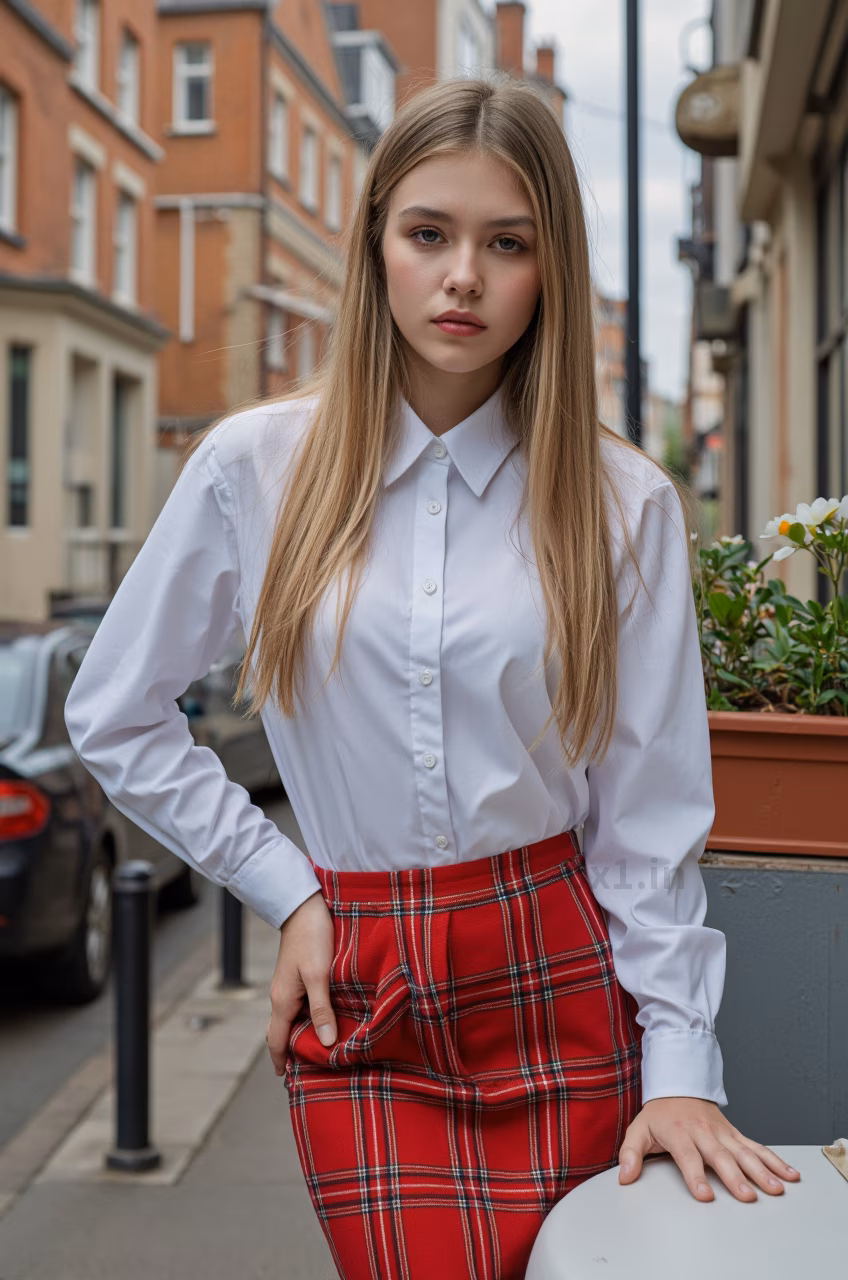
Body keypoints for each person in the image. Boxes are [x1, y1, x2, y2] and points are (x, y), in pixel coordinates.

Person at [64, 75, 799, 1280]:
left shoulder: (624, 505)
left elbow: (645, 818)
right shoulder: (258, 468)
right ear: (377, 250)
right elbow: (114, 711)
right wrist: (287, 888)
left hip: (558, 970)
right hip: (363, 984)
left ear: (549, 267)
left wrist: (679, 1070)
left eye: (505, 242)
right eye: (428, 234)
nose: (462, 275)